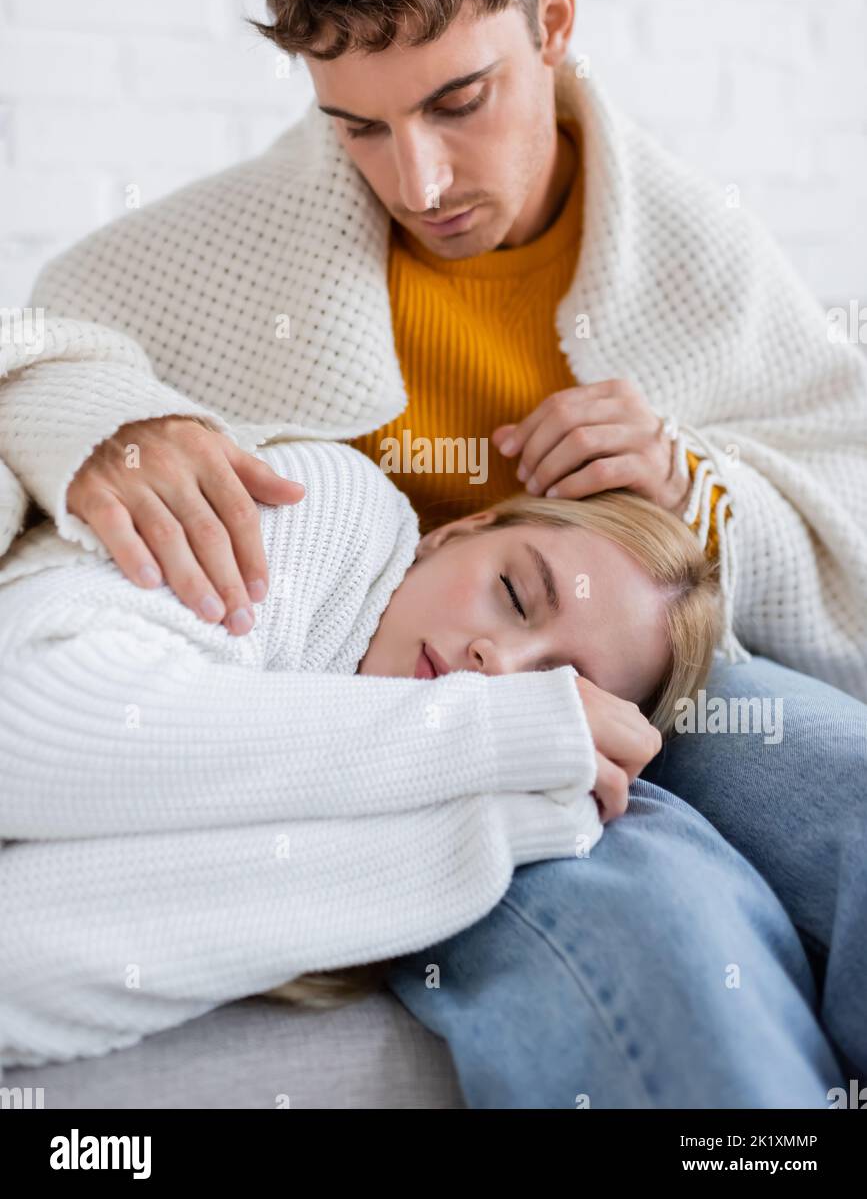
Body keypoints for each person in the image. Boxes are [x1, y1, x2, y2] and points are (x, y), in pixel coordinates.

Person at [0, 0, 865, 1105]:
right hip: (393, 720)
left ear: (553, 17)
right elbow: (49, 343)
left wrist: (701, 490)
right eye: (357, 124)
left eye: (460, 100)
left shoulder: (690, 245)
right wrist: (97, 418)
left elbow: (835, 478)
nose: (416, 176)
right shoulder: (222, 252)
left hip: (675, 672)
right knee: (662, 927)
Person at [0, 439, 720, 1066]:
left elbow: (22, 952)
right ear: (460, 531)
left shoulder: (450, 788)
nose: (497, 663)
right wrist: (499, 728)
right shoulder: (339, 510)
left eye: (553, 683)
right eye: (513, 592)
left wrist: (493, 829)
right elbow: (24, 728)